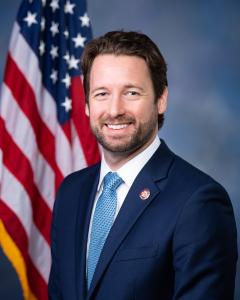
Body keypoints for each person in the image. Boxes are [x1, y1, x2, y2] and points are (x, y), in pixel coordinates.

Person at [48, 31, 237, 300]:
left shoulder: (199, 202)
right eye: (102, 93)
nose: (114, 110)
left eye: (132, 92)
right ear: (87, 104)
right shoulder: (71, 192)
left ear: (161, 99)